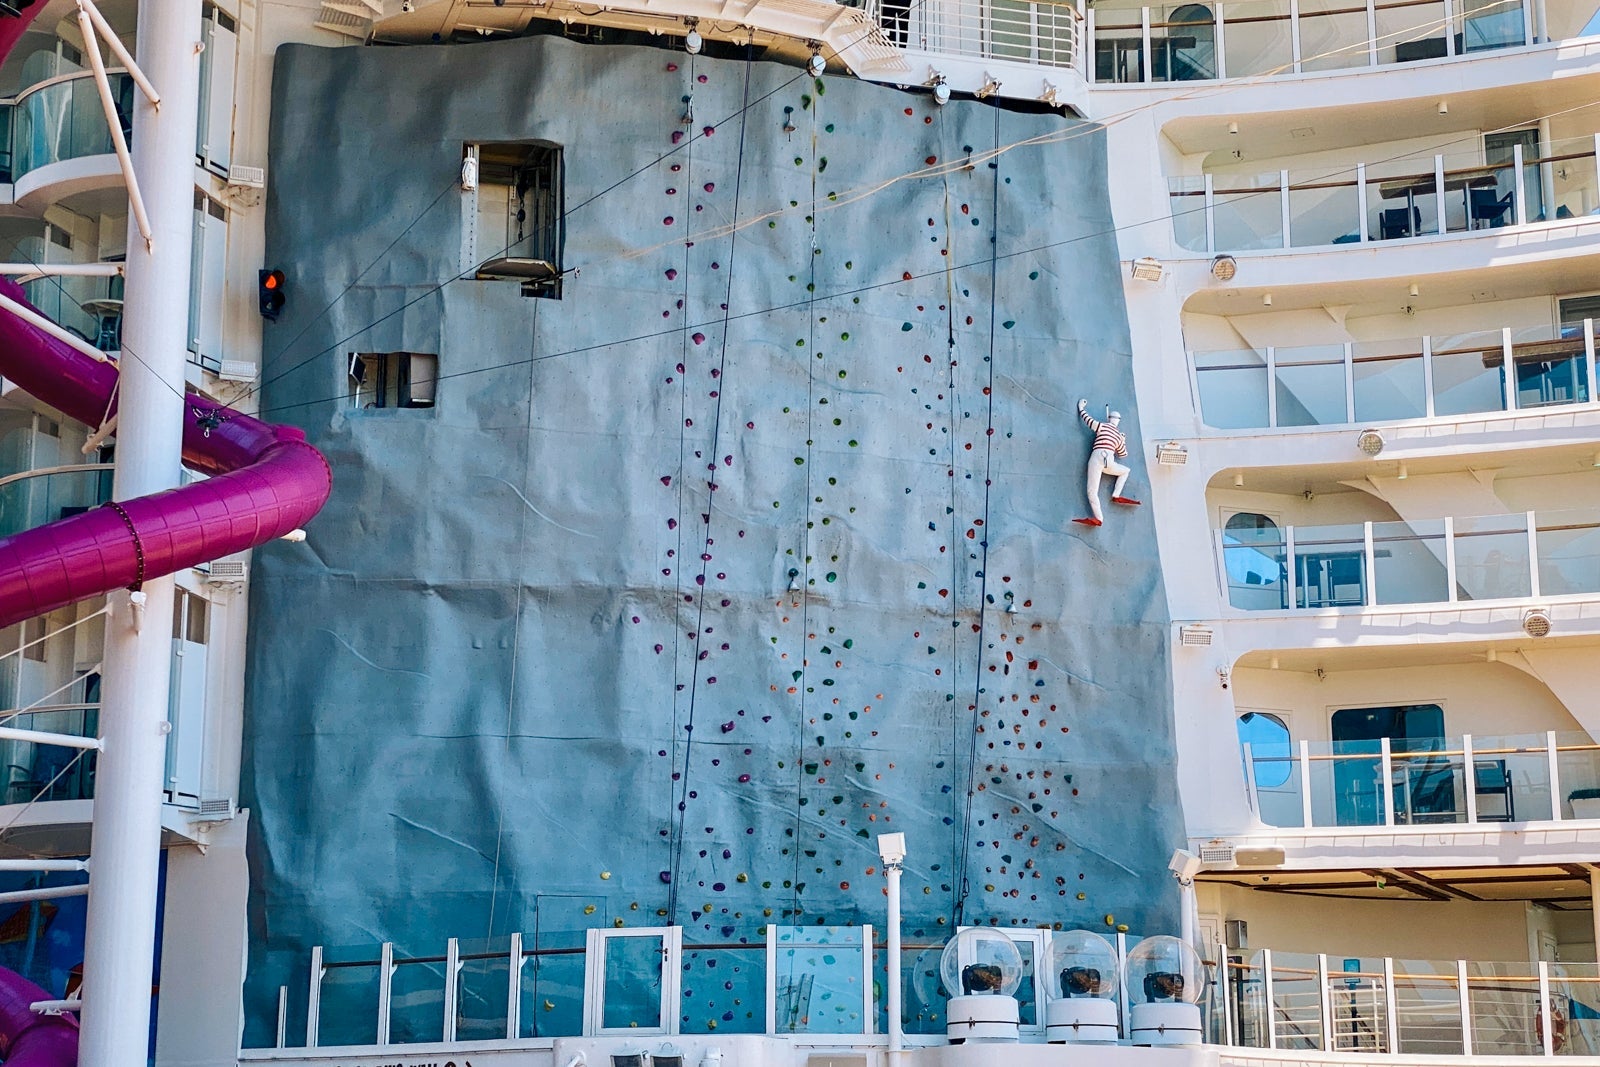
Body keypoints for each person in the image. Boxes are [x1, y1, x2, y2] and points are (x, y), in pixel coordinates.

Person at [1074, 398, 1140, 527]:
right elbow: (1123, 454)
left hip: (1096, 457)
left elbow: (1088, 420)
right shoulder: (1118, 436)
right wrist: (1123, 440)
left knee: (1092, 491)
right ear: (1118, 421)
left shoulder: (1102, 426)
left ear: (1109, 418)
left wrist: (1081, 408)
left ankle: (1099, 518)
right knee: (1125, 471)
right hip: (1109, 460)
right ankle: (1116, 494)